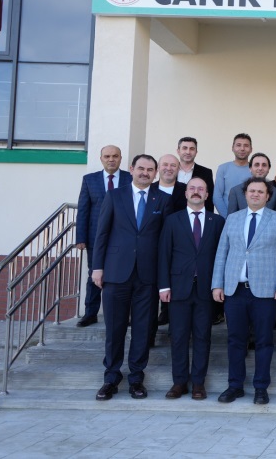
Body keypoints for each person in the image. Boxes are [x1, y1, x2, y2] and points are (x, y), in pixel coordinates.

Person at [92, 154, 173, 401]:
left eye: (150, 170)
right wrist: (97, 267)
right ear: (131, 169)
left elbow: (165, 242)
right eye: (141, 168)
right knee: (114, 328)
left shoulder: (163, 199)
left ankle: (136, 378)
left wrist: (163, 279)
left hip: (147, 276)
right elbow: (102, 233)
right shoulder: (115, 196)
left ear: (155, 173)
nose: (145, 173)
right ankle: (111, 378)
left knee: (142, 329)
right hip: (116, 272)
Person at [212, 177, 276, 405]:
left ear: (268, 196)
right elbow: (222, 253)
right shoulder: (233, 219)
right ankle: (234, 385)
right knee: (235, 340)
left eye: (260, 192)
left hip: (265, 292)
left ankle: (261, 387)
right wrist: (217, 284)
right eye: (252, 191)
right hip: (234, 290)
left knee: (264, 341)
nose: (255, 195)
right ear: (245, 194)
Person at [157, 178, 225, 401]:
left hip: (206, 289)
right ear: (186, 193)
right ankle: (179, 382)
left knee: (203, 337)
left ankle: (198, 383)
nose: (196, 192)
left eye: (201, 189)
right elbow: (164, 254)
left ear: (207, 195)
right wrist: (164, 286)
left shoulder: (217, 221)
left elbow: (222, 256)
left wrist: (220, 284)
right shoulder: (172, 220)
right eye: (192, 188)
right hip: (178, 289)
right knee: (178, 336)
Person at [75, 145, 132, 327]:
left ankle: (124, 315)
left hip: (123, 238)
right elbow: (83, 210)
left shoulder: (130, 178)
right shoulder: (89, 180)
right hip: (95, 237)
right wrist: (81, 237)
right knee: (94, 274)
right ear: (101, 159)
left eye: (115, 156)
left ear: (120, 158)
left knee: (123, 275)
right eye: (107, 156)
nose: (111, 159)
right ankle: (90, 313)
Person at [154, 154, 188, 328]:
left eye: (173, 165)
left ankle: (166, 313)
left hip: (178, 244)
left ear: (179, 169)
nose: (169, 168)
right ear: (158, 168)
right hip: (151, 244)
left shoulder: (186, 190)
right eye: (165, 164)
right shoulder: (149, 189)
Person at [213, 133, 252, 218]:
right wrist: (227, 218)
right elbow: (217, 196)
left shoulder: (254, 170)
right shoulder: (223, 168)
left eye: (246, 146)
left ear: (251, 149)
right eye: (238, 145)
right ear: (232, 148)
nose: (242, 149)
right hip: (227, 216)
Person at [176, 137, 214, 212]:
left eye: (192, 149)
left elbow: (209, 200)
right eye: (184, 148)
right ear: (178, 151)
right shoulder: (171, 171)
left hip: (196, 216)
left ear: (196, 152)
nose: (188, 152)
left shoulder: (206, 172)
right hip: (173, 215)